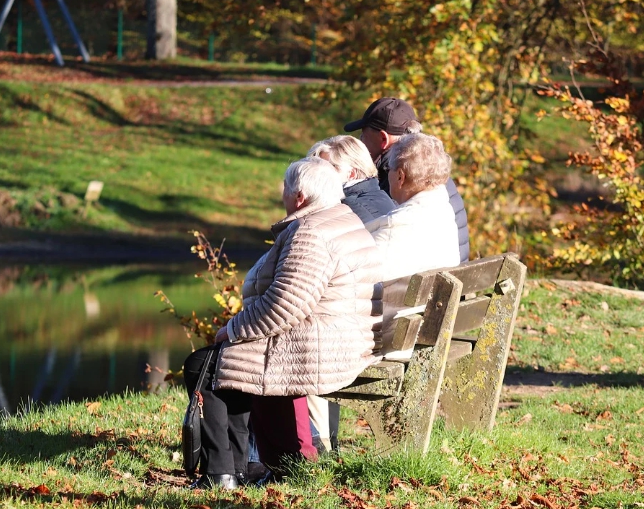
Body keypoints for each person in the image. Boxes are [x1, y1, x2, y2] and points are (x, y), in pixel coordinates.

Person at [181, 157, 383, 489]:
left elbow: (285, 304)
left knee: (204, 366)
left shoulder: (311, 233)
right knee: (230, 365)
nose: (282, 194)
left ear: (299, 197)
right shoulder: (341, 218)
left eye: (285, 188)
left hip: (319, 345)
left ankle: (221, 474)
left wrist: (232, 329)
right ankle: (239, 469)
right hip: (338, 336)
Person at [306, 134, 394, 453]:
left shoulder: (346, 213)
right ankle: (322, 443)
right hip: (389, 325)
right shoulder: (381, 201)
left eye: (326, 169)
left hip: (368, 334)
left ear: (352, 173)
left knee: (303, 343)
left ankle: (318, 447)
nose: (316, 177)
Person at [344, 97, 470, 263]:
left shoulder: (395, 175)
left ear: (383, 139)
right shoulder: (433, 168)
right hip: (453, 270)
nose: (361, 142)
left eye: (363, 136)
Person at [365, 133, 460, 281]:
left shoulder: (395, 226)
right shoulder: (444, 211)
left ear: (400, 177)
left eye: (389, 168)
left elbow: (359, 281)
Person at [308, 135, 396, 224]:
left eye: (327, 169)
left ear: (352, 174)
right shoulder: (383, 198)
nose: (317, 175)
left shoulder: (344, 210)